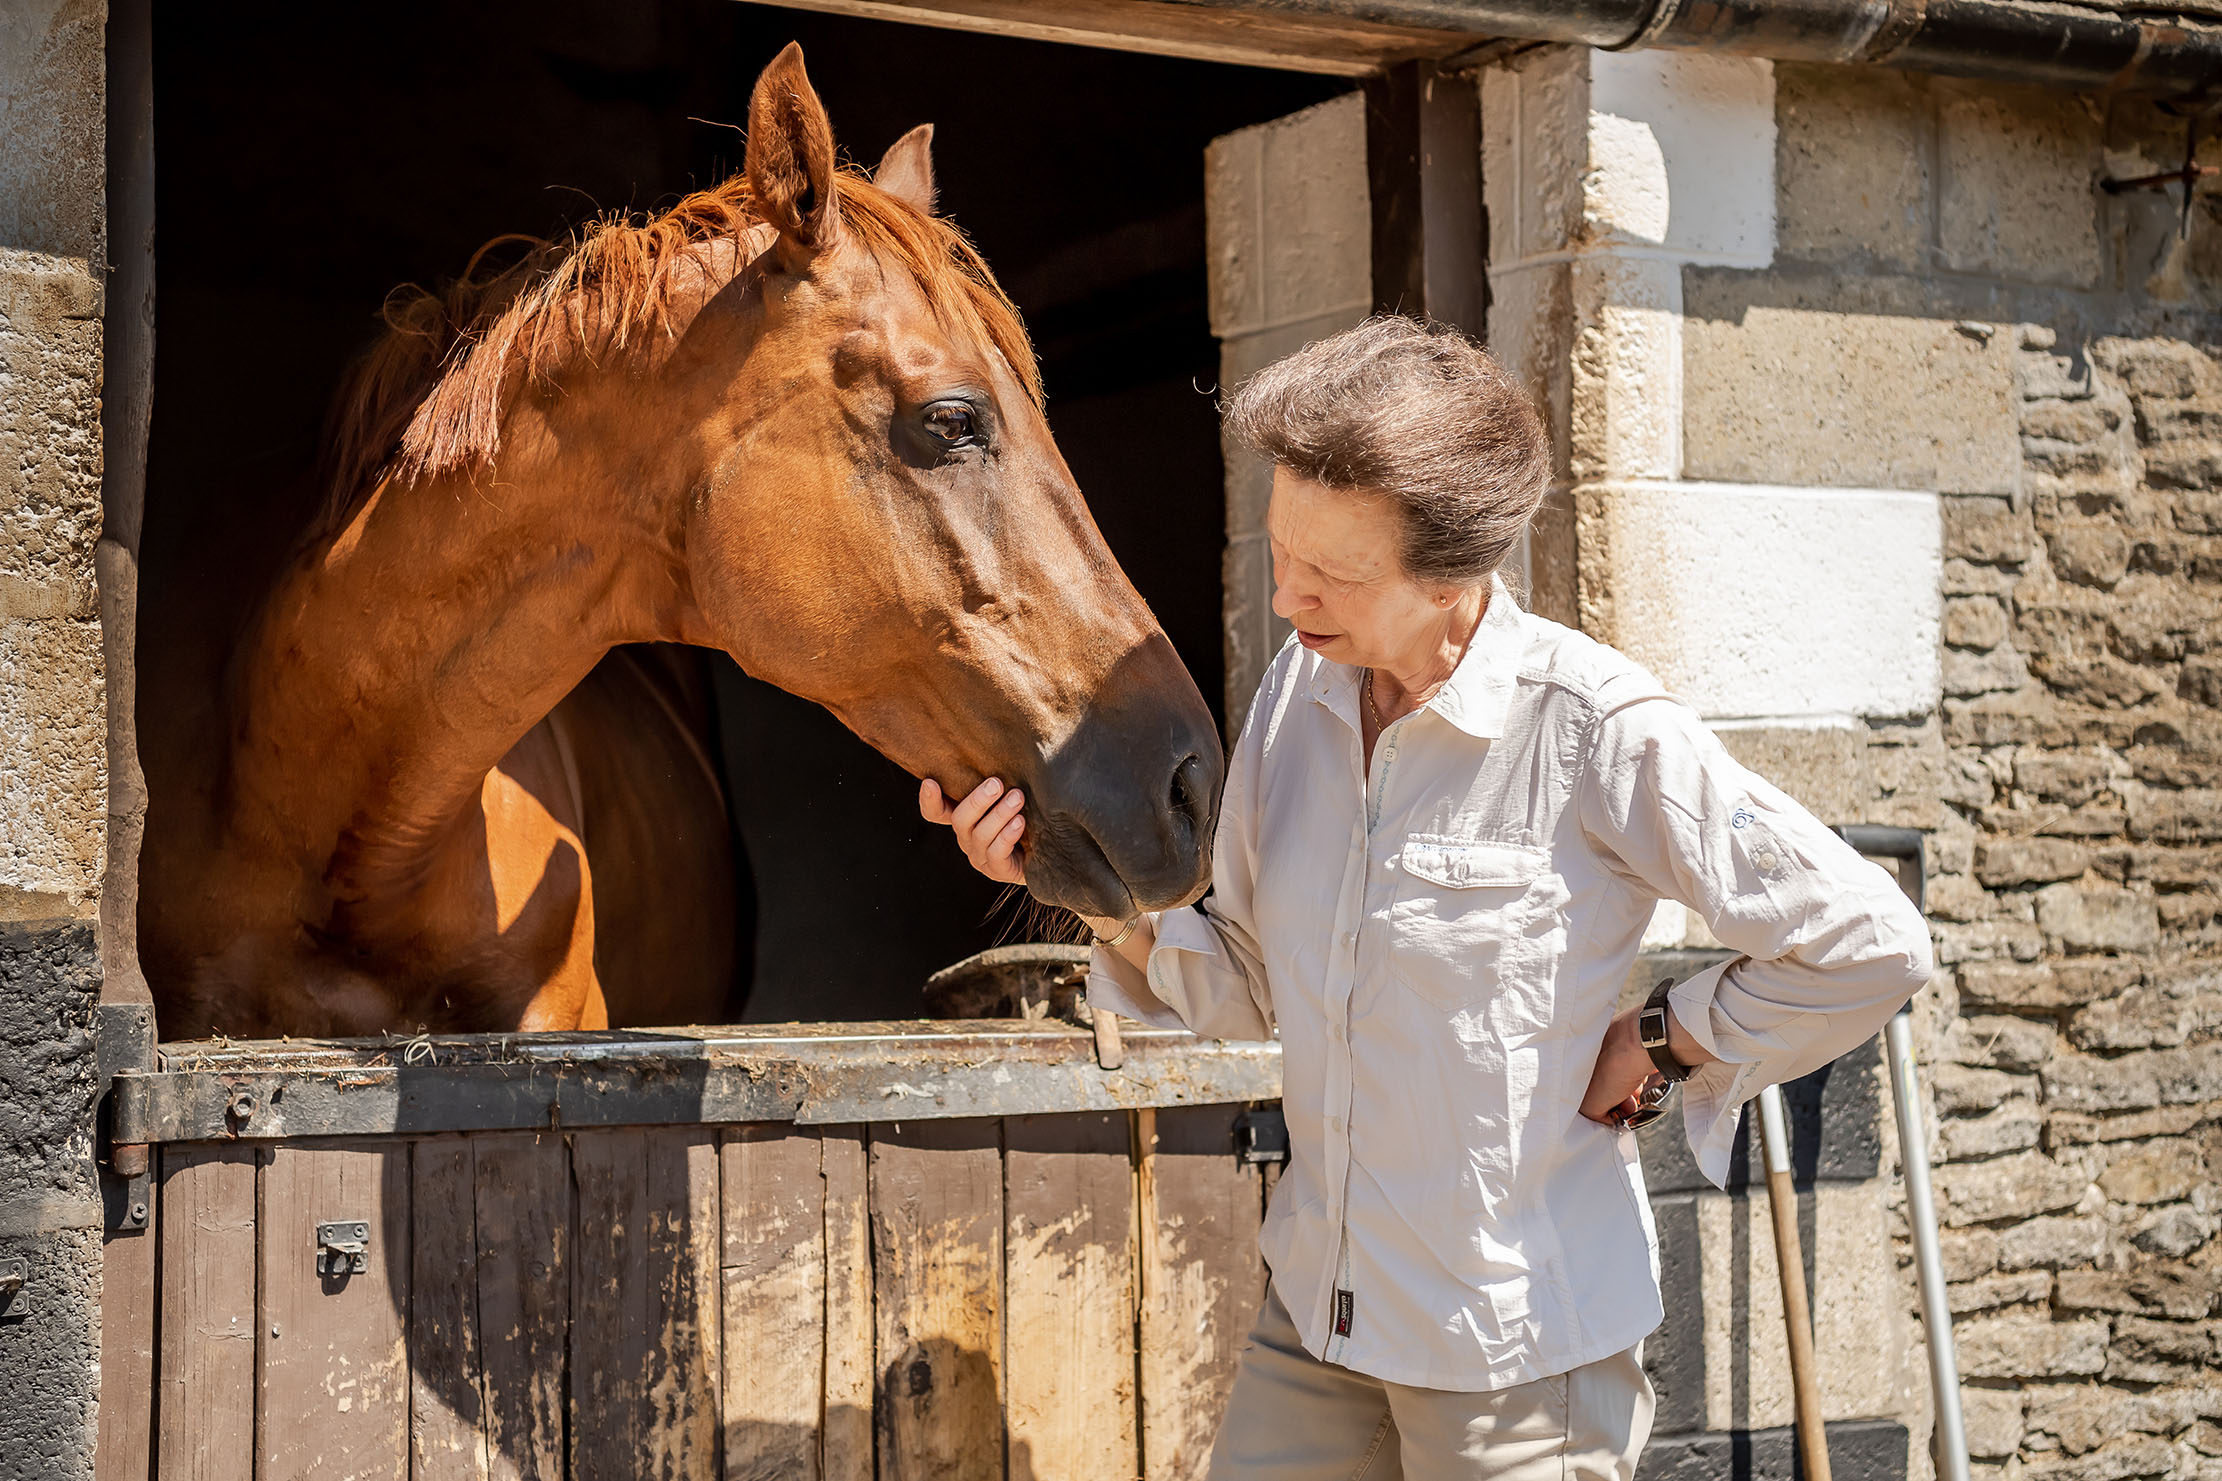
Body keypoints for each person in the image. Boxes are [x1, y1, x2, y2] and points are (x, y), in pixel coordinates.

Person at [921, 316, 1934, 1481]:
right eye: (1279, 548)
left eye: (1334, 571)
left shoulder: (1593, 729)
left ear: (1454, 574)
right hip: (1316, 1311)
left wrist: (1665, 1033)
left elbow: (1867, 941)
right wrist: (1077, 883)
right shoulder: (1296, 698)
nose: (1289, 592)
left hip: (1509, 1357)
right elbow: (1247, 990)